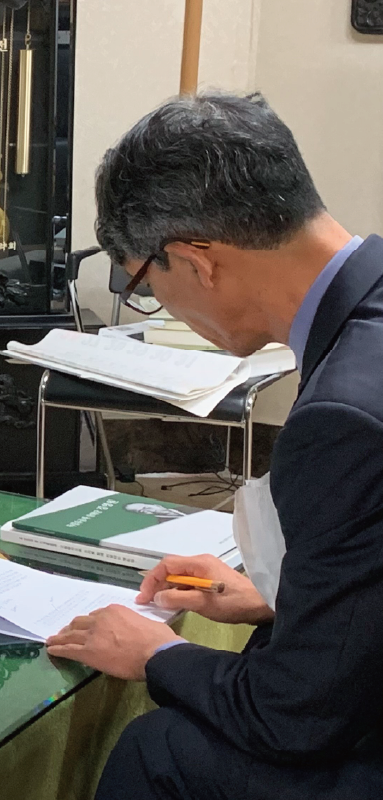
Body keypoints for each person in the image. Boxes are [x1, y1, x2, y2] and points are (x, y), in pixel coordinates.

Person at [45, 92, 383, 798]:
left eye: (144, 283)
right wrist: (279, 598)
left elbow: (293, 719)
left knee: (159, 750)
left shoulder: (343, 419)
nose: (155, 303)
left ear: (195, 260)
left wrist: (158, 653)